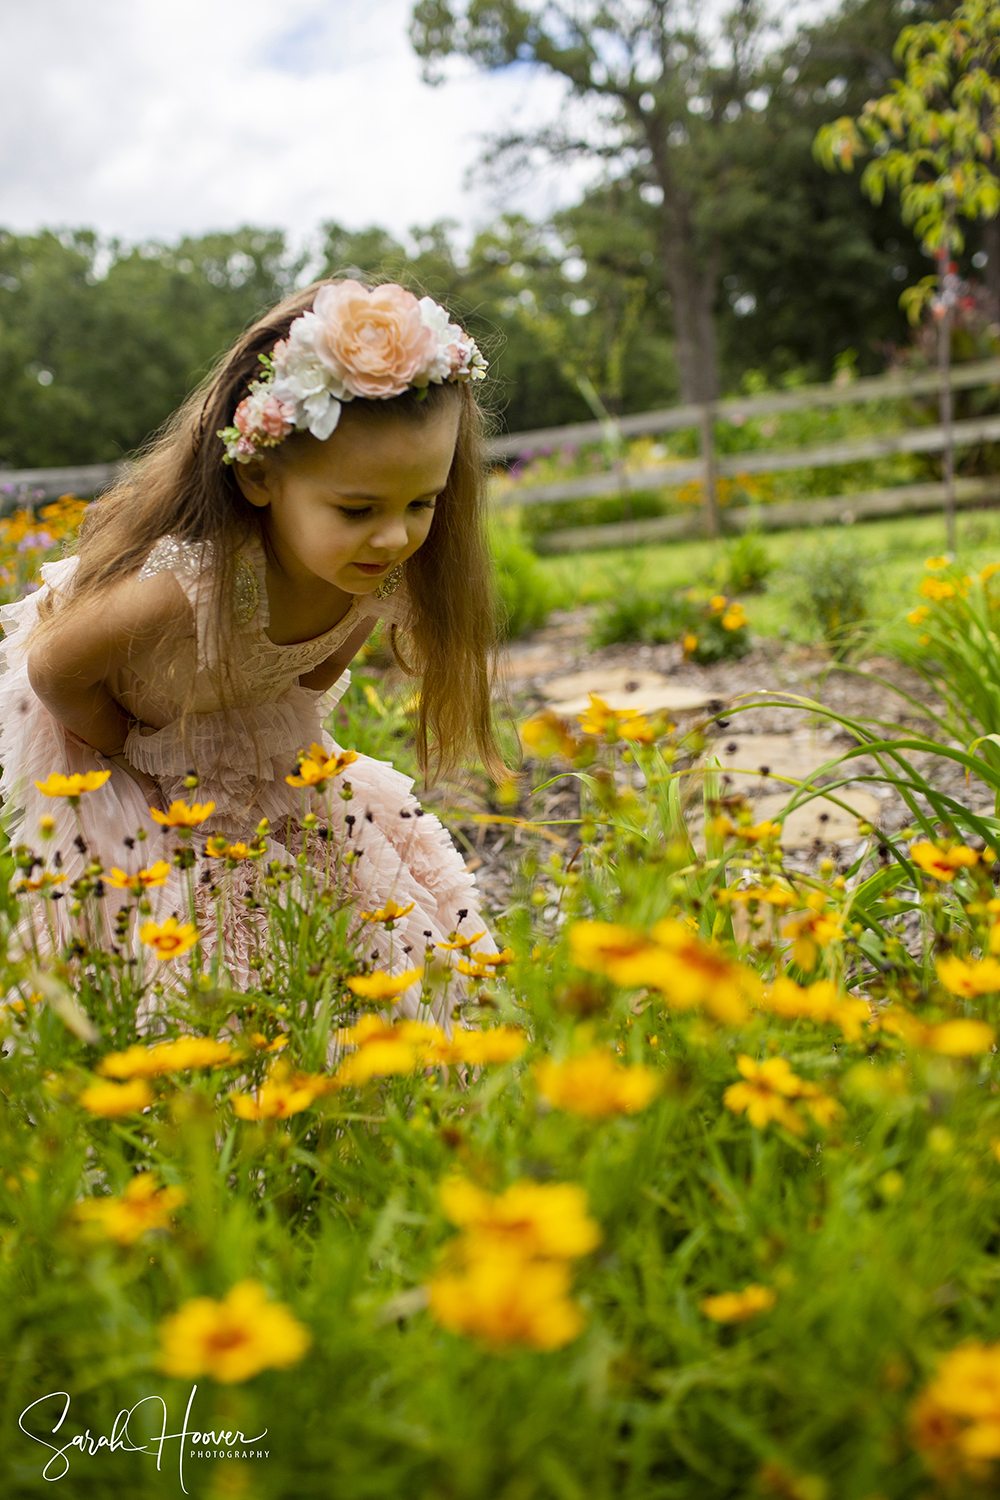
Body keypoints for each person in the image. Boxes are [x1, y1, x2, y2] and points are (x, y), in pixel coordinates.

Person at [0, 278, 508, 1026]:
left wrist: (253, 758)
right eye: (359, 508)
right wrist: (134, 753)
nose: (395, 535)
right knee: (159, 932)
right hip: (109, 739)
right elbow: (53, 669)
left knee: (355, 884)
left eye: (421, 503)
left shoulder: (371, 577)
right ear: (261, 475)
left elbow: (309, 680)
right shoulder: (183, 588)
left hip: (240, 725)